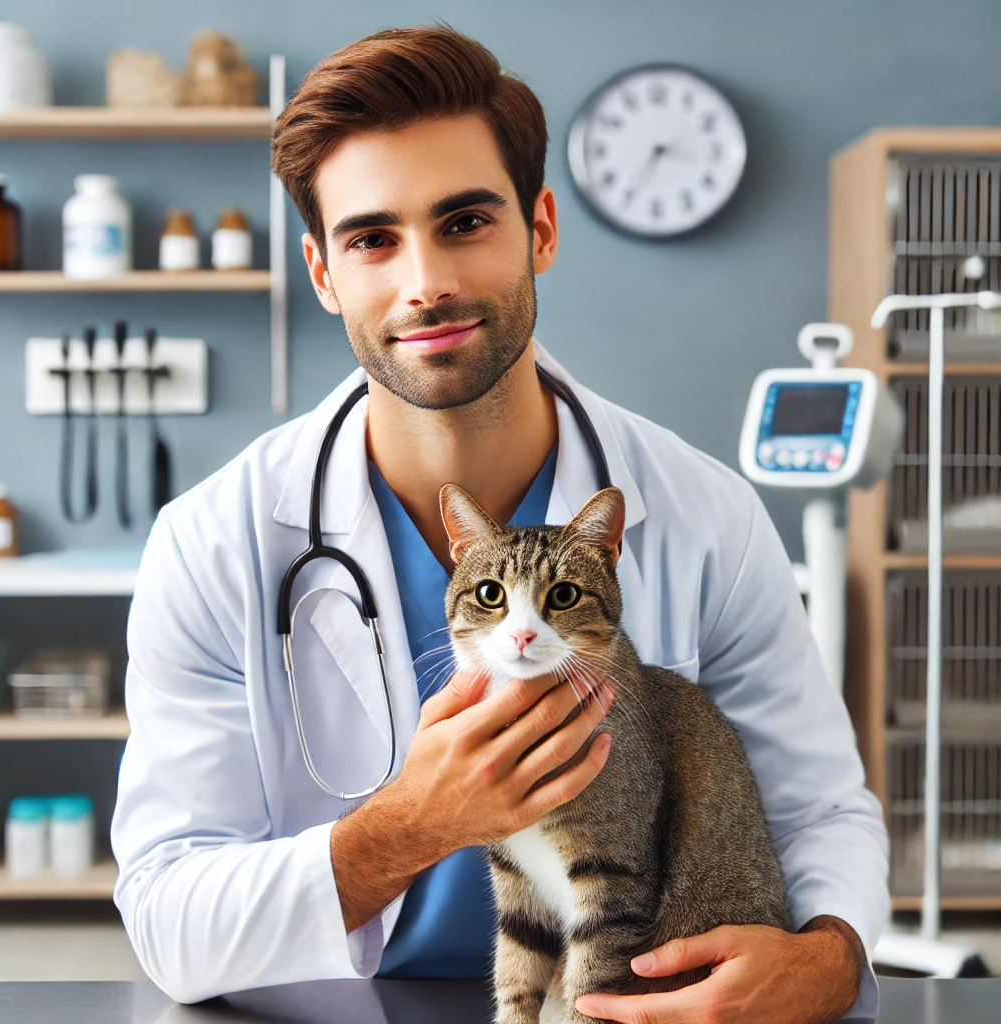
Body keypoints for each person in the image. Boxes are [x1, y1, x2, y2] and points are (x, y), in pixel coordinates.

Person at [111, 25, 888, 1023]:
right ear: (321, 273)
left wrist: (827, 960)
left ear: (541, 230)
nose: (423, 281)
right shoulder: (211, 543)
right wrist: (409, 824)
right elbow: (171, 924)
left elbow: (818, 813)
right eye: (372, 238)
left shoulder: (704, 515)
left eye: (465, 220)